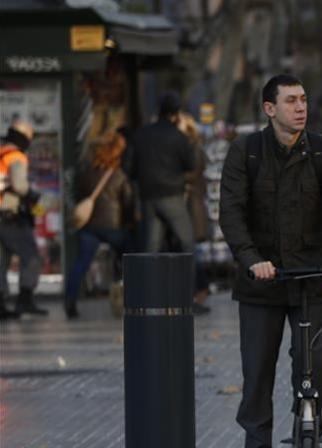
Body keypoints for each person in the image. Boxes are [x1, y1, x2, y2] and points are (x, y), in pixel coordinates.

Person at [218, 74, 322, 448]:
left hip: (310, 277)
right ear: (269, 108)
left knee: (311, 360)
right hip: (261, 282)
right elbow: (231, 212)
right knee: (257, 370)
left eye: (304, 99)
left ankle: (309, 430)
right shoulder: (246, 153)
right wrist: (250, 259)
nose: (301, 107)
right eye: (291, 100)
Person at [63, 133, 136, 319]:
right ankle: (130, 297)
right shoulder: (118, 174)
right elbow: (128, 201)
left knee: (81, 262)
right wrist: (129, 223)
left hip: (88, 227)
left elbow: (77, 195)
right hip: (113, 226)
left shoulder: (84, 173)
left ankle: (70, 301)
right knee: (130, 258)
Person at [126, 93, 197, 256]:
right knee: (187, 243)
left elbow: (128, 167)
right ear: (175, 114)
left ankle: (150, 281)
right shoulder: (179, 137)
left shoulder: (141, 134)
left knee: (151, 246)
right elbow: (190, 165)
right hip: (172, 194)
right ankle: (191, 280)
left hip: (148, 196)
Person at [0, 120, 46, 319]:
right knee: (31, 255)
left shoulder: (1, 153)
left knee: (1, 261)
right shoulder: (16, 156)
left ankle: (1, 306)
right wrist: (32, 196)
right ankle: (25, 300)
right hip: (9, 215)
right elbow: (19, 186)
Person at [176, 112, 211, 314]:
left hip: (191, 206)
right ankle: (198, 290)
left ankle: (199, 290)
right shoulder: (187, 147)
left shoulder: (193, 149)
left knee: (191, 250)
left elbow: (192, 173)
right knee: (189, 250)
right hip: (187, 204)